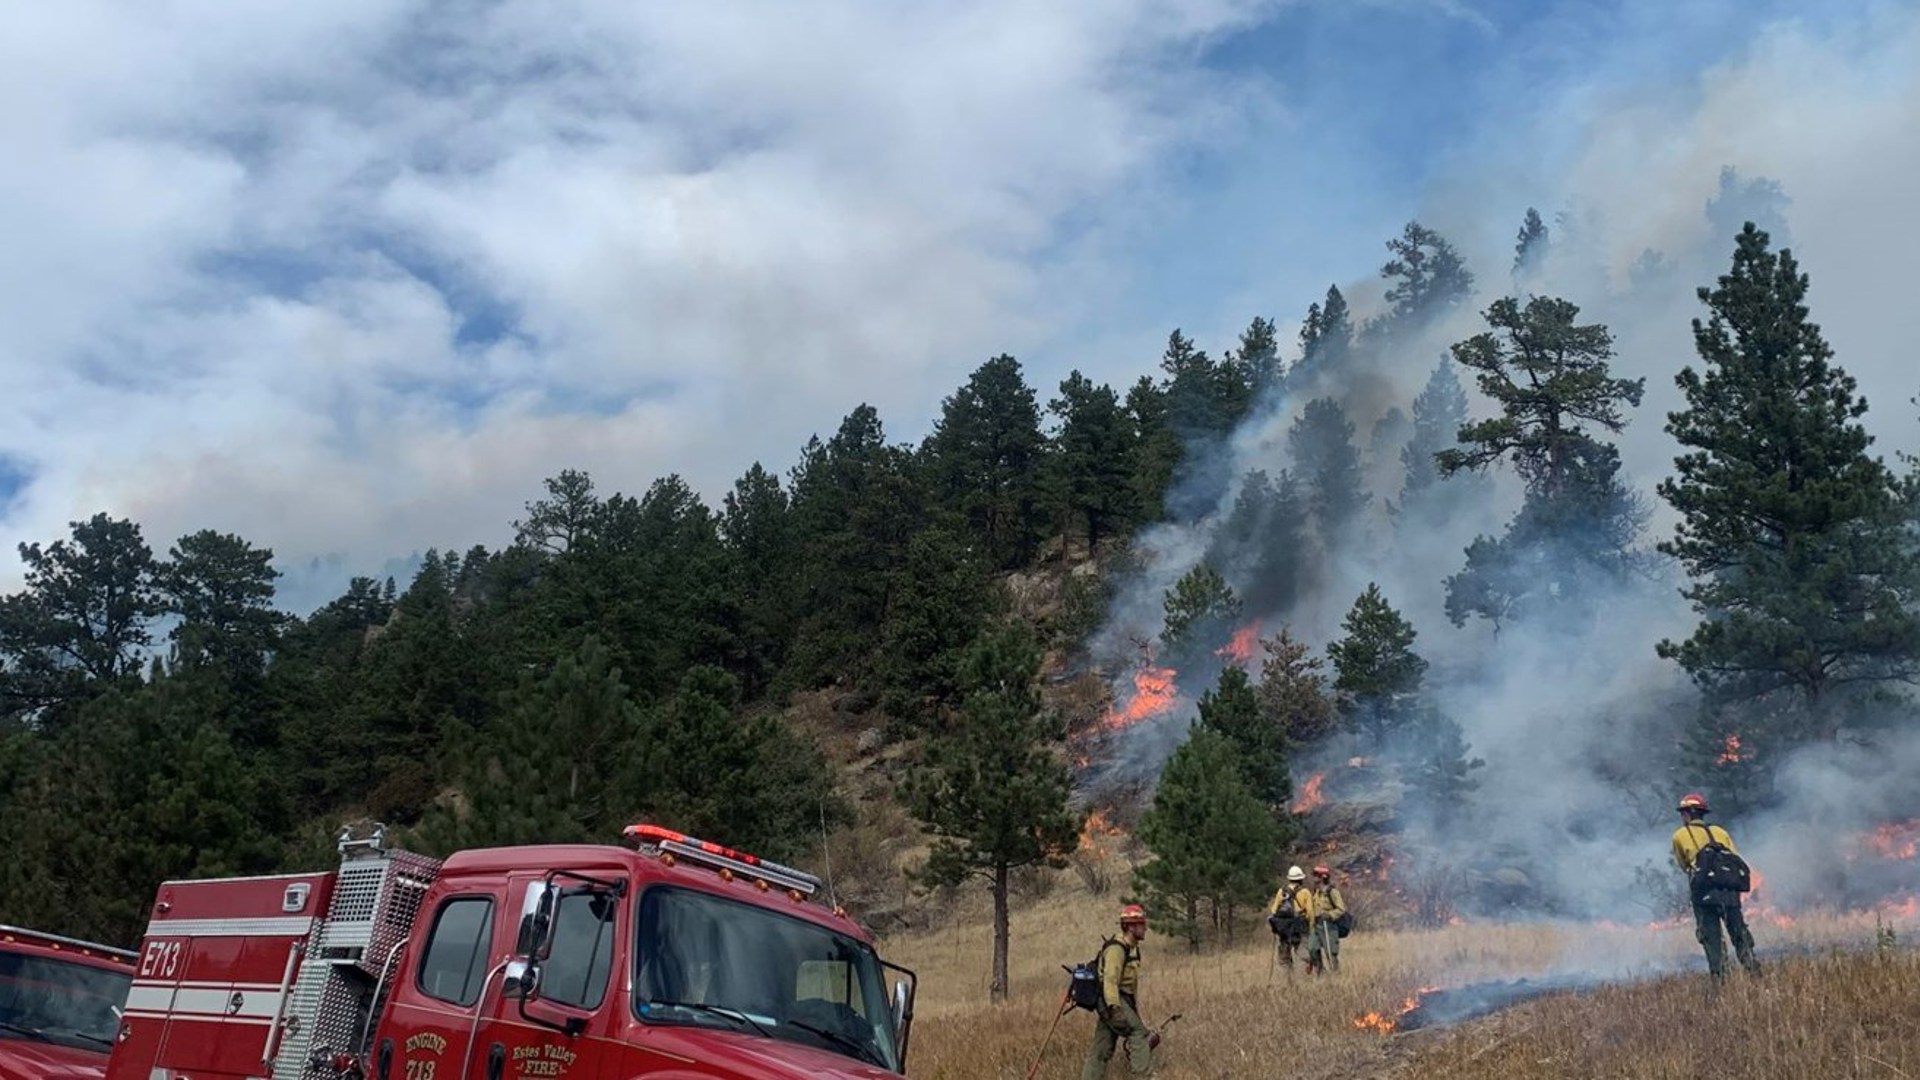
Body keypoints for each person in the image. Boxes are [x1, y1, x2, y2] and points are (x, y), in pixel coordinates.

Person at [1670, 792, 1761, 980]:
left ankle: (1720, 979)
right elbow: (1734, 857)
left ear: (1687, 814)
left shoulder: (1680, 835)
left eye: (1683, 813)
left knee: (1711, 938)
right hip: (1729, 892)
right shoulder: (1721, 832)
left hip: (1703, 894)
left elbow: (1684, 866)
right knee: (1739, 933)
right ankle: (1753, 970)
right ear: (1702, 813)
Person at [1082, 904, 1152, 1079]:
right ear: (1130, 927)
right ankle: (1143, 1076)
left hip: (1120, 1000)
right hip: (1112, 1000)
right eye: (1141, 924)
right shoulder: (1117, 949)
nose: (1145, 928)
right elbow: (1110, 982)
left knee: (1101, 1048)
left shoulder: (1132, 947)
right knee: (1138, 1033)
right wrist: (1115, 1009)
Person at [1265, 865, 1312, 973]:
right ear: (1301, 879)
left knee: (1284, 958)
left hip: (1284, 930)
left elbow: (1274, 910)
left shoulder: (1281, 891)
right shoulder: (1305, 892)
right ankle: (1303, 980)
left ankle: (1287, 982)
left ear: (1289, 878)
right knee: (1302, 955)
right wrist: (1310, 927)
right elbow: (1310, 913)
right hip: (1299, 928)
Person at [1305, 865, 1345, 975]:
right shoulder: (1316, 892)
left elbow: (1341, 909)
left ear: (1323, 877)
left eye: (1316, 876)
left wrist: (1329, 914)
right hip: (1316, 925)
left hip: (1329, 925)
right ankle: (1321, 973)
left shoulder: (1332, 891)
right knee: (1312, 949)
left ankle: (1336, 975)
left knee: (1330, 953)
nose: (1313, 878)